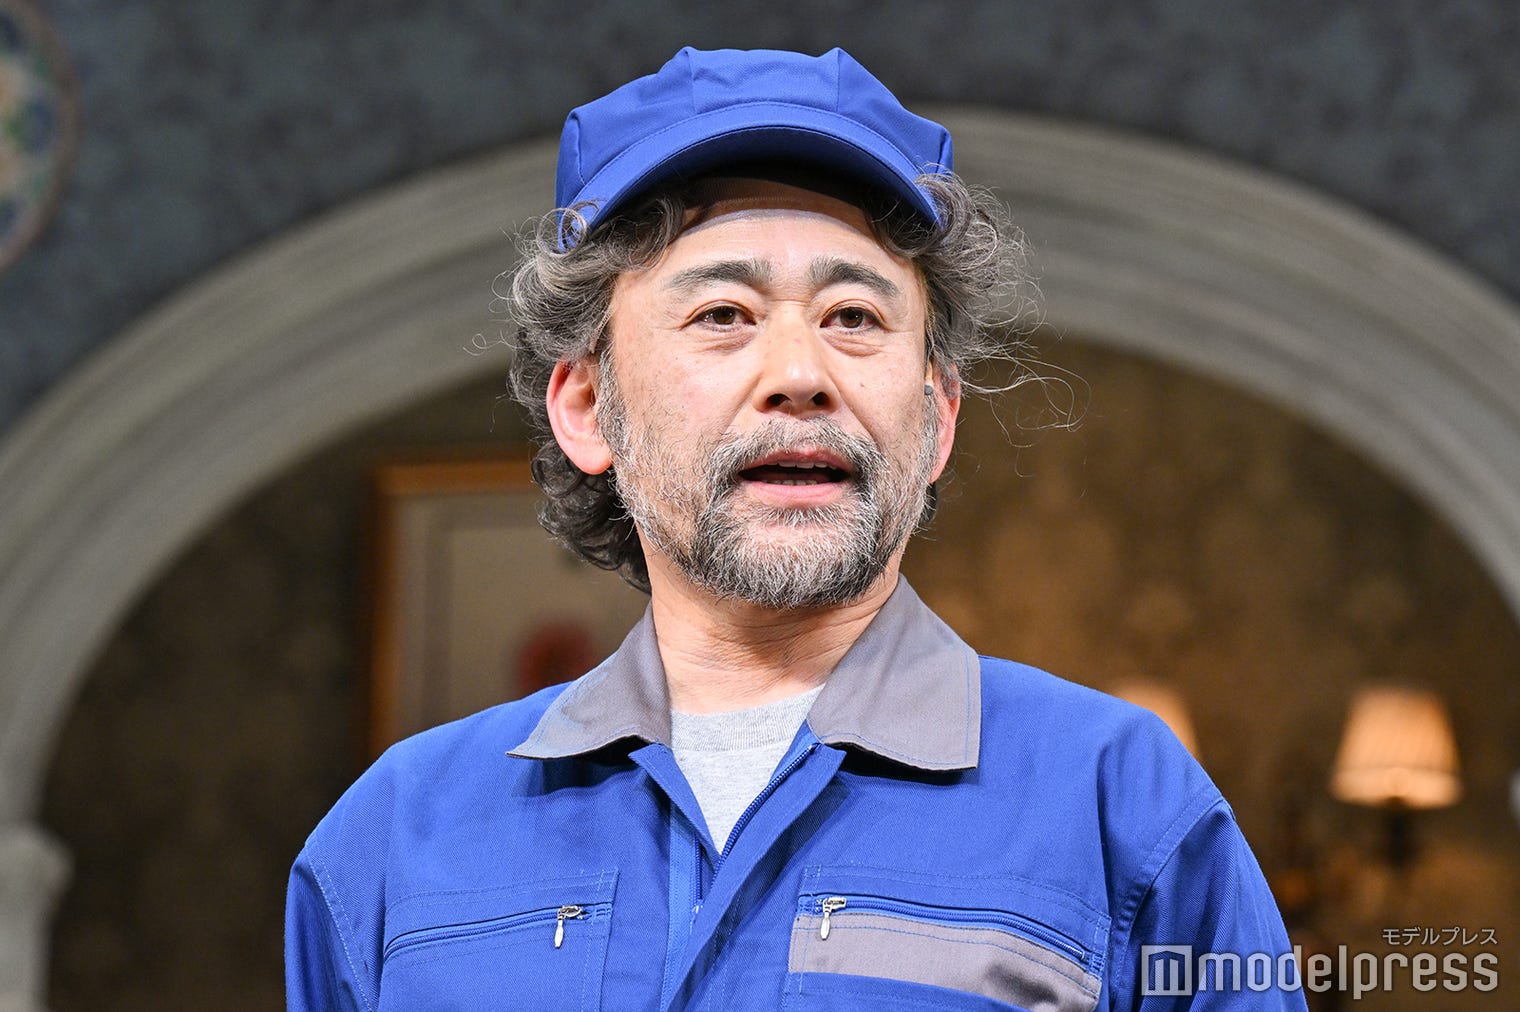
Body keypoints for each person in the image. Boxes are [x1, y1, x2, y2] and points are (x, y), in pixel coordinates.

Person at [286, 47, 1306, 1010]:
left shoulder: (1123, 805)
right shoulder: (393, 838)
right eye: (721, 315)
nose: (800, 374)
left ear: (937, 416)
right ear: (588, 408)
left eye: (854, 317)